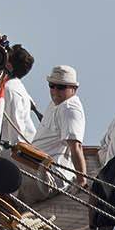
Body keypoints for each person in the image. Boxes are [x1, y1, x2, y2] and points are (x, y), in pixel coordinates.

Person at [19, 65, 86, 203]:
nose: (55, 91)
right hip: (34, 165)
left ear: (74, 89)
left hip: (50, 176)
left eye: (61, 87)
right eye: (52, 85)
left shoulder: (69, 108)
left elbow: (76, 147)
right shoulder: (55, 104)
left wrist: (82, 181)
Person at [0, 44, 38, 149]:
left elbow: (16, 132)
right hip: (3, 143)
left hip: (18, 152)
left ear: (8, 66)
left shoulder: (11, 91)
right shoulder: (6, 85)